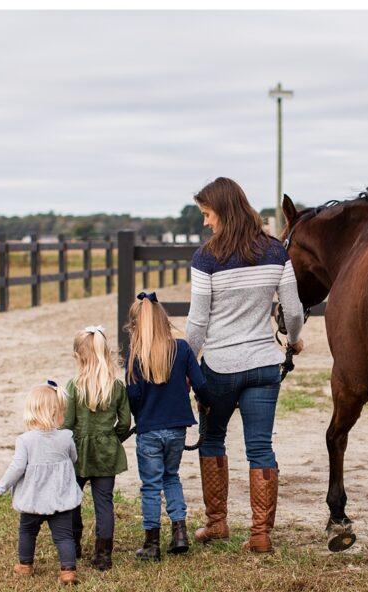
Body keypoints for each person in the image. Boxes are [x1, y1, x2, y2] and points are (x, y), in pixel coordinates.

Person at [186, 176, 304, 553]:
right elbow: (295, 309)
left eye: (207, 214)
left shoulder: (206, 258)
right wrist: (294, 339)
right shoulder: (274, 251)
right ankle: (260, 534)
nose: (205, 223)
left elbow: (198, 323)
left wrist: (187, 365)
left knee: (212, 439)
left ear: (223, 211)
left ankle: (217, 523)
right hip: (264, 365)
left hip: (219, 366)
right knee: (260, 447)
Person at [125, 291, 211, 561]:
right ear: (164, 321)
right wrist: (204, 403)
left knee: (150, 485)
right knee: (171, 477)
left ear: (137, 327)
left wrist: (143, 414)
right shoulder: (183, 349)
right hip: (177, 428)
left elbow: (134, 397)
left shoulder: (136, 357)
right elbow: (201, 384)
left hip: (148, 430)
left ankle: (151, 543)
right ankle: (180, 533)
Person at [0, 381, 85, 586]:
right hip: (60, 498)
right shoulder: (65, 437)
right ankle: (68, 570)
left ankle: (25, 565)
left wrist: (1, 486)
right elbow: (74, 458)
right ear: (58, 412)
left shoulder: (25, 441)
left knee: (27, 531)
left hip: (33, 499)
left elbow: (16, 468)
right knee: (63, 536)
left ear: (32, 412)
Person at [63, 326, 131, 571]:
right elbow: (125, 423)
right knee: (104, 503)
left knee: (72, 500)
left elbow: (67, 424)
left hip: (77, 454)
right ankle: (103, 555)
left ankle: (74, 546)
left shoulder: (73, 386)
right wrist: (112, 439)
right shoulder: (116, 387)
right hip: (106, 453)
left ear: (80, 357)